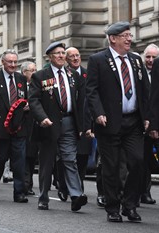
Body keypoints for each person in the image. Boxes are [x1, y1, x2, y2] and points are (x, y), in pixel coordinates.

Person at [86, 21, 149, 222]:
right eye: (125, 35)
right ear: (113, 38)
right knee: (111, 167)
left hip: (133, 122)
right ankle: (113, 207)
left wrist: (148, 117)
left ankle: (129, 205)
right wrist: (98, 113)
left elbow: (145, 91)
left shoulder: (136, 60)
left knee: (138, 162)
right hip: (109, 122)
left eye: (130, 35)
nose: (130, 39)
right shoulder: (98, 60)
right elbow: (91, 90)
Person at [29, 42, 87, 211]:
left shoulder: (73, 75)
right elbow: (34, 100)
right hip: (49, 124)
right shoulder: (40, 76)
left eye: (63, 53)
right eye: (57, 53)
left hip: (69, 122)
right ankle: (43, 196)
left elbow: (81, 101)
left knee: (70, 159)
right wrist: (42, 118)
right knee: (47, 163)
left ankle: (76, 195)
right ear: (50, 57)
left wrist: (82, 125)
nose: (61, 56)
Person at [0, 49, 29, 203]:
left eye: (15, 62)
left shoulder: (21, 79)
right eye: (10, 62)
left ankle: (19, 192)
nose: (13, 65)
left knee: (19, 160)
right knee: (0, 159)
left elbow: (25, 100)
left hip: (19, 127)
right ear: (3, 62)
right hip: (0, 126)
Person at [65, 47, 93, 191]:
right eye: (72, 56)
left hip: (85, 122)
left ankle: (79, 183)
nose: (76, 58)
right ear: (66, 59)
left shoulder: (88, 75)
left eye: (77, 55)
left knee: (82, 155)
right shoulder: (63, 75)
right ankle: (64, 185)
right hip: (68, 122)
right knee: (67, 155)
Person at [141, 43, 159, 204]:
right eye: (148, 56)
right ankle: (143, 192)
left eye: (154, 57)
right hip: (143, 123)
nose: (151, 60)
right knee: (143, 159)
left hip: (155, 122)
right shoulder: (139, 73)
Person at [20, 61, 38, 196]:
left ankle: (29, 183)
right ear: (24, 72)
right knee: (23, 156)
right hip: (21, 124)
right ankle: (23, 184)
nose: (34, 73)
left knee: (31, 156)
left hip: (35, 124)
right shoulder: (19, 86)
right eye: (31, 70)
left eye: (35, 70)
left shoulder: (38, 86)